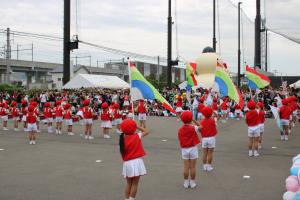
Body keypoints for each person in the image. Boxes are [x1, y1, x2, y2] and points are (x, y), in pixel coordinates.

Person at [119, 119, 149, 200]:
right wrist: (138, 126)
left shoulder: (122, 138)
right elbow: (146, 131)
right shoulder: (137, 136)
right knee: (135, 184)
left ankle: (126, 198)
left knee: (128, 183)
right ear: (133, 128)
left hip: (127, 163)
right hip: (137, 162)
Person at [178, 111, 201, 189]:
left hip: (184, 149)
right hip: (193, 148)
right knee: (193, 167)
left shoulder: (180, 129)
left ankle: (186, 182)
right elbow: (201, 126)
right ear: (191, 119)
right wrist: (194, 120)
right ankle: (192, 182)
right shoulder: (193, 127)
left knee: (186, 167)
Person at [200, 106, 217, 171]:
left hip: (204, 138)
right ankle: (209, 166)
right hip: (211, 138)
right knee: (210, 153)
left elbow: (200, 130)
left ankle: (204, 166)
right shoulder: (213, 120)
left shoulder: (201, 121)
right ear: (211, 113)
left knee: (204, 153)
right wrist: (212, 110)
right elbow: (218, 117)